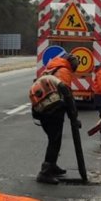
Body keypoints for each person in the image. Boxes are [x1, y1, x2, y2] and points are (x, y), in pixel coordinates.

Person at [33, 52, 80, 184]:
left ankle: (52, 165)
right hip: (52, 110)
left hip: (43, 109)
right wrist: (74, 117)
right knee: (54, 140)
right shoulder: (64, 71)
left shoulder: (52, 68)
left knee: (54, 139)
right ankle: (45, 173)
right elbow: (67, 95)